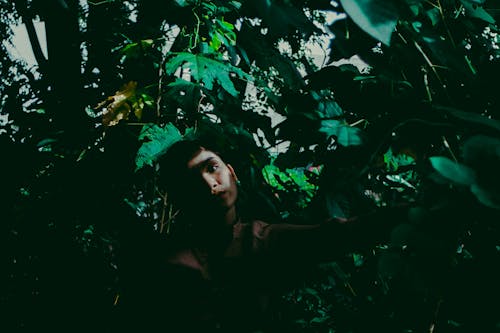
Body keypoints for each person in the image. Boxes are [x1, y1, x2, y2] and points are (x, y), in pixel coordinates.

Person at [117, 137, 409, 333]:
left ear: (232, 173)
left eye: (212, 168)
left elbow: (341, 235)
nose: (209, 183)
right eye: (192, 180)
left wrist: (423, 211)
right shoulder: (160, 258)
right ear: (179, 197)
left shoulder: (261, 240)